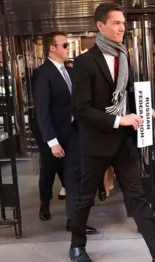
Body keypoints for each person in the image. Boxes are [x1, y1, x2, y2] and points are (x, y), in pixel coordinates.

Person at [69, 3, 155, 262]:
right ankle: (77, 246)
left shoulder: (123, 56)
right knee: (84, 198)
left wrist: (148, 111)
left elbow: (127, 97)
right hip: (96, 143)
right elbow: (81, 110)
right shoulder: (84, 62)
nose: (122, 28)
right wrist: (117, 119)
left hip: (124, 141)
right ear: (100, 26)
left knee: (137, 197)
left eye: (123, 23)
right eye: (116, 23)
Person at [32, 31, 97, 234]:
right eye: (65, 45)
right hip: (53, 135)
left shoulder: (69, 72)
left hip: (73, 134)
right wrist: (52, 141)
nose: (69, 48)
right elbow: (42, 110)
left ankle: (74, 222)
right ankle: (45, 202)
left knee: (73, 178)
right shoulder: (42, 73)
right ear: (53, 48)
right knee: (48, 172)